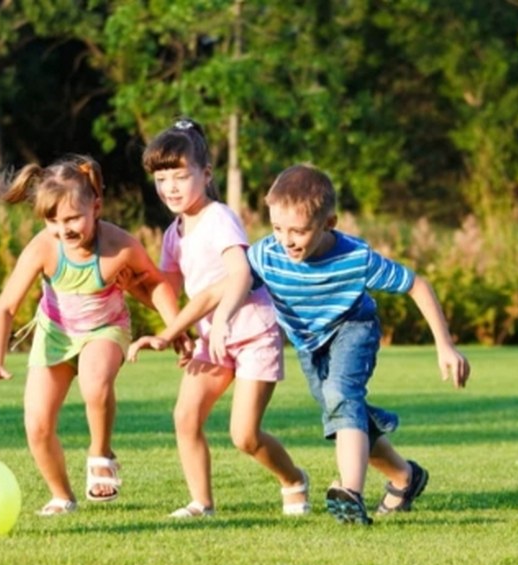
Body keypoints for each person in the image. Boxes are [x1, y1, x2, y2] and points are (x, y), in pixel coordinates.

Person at [148, 163, 470, 525]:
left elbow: (416, 285)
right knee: (343, 414)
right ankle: (404, 476)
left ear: (328, 223)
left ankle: (350, 493)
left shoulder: (354, 257)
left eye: (298, 231)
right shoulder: (268, 253)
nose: (286, 240)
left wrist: (445, 345)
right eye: (277, 228)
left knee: (341, 397)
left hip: (353, 327)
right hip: (309, 343)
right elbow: (215, 292)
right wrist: (172, 331)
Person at [126, 119, 310, 519]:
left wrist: (222, 318)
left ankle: (293, 479)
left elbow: (240, 273)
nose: (170, 187)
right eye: (161, 178)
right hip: (213, 338)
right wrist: (136, 294)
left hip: (252, 332)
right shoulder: (174, 233)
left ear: (205, 174)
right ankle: (201, 503)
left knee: (244, 436)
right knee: (185, 416)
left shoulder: (219, 217)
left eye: (180, 175)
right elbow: (167, 291)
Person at [0, 154, 181, 516]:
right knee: (37, 425)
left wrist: (176, 328)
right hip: (55, 335)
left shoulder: (119, 246)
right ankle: (62, 495)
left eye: (73, 218)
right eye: (53, 220)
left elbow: (156, 286)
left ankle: (100, 452)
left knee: (95, 383)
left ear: (97, 207)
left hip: (105, 330)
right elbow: (5, 308)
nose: (64, 229)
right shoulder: (44, 247)